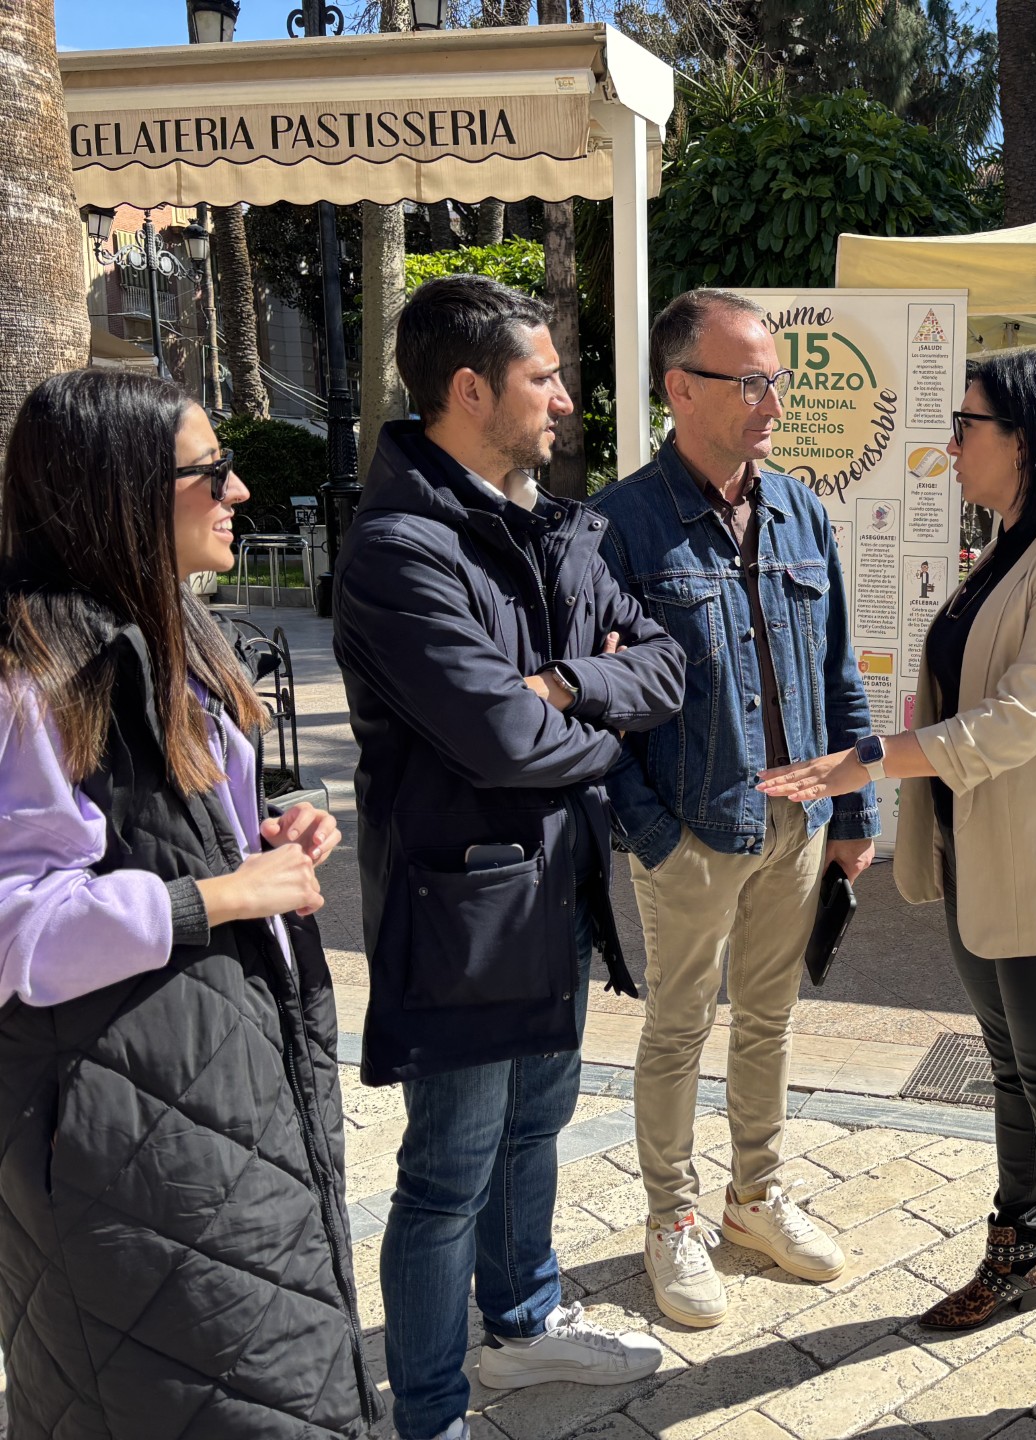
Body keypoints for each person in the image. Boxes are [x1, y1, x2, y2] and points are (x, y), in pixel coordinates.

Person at [759, 350, 1036, 1440]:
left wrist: (869, 760)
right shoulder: (1001, 555)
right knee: (1015, 1082)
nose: (952, 443)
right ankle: (1015, 1258)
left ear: (1026, 437)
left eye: (969, 422)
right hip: (983, 870)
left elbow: (1021, 721)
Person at [334, 275, 686, 1440]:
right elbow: (502, 738)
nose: (567, 401)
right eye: (544, 377)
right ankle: (429, 1412)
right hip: (465, 919)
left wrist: (572, 682)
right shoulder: (398, 550)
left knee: (535, 1128)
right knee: (446, 1178)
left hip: (559, 901)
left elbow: (667, 668)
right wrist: (576, 712)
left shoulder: (554, 523)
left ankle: (521, 1331)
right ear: (471, 388)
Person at [0, 371, 377, 1437]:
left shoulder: (171, 639)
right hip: (123, 1129)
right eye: (209, 469)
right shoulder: (32, 676)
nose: (240, 490)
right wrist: (214, 894)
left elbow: (176, 841)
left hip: (223, 1088)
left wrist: (270, 841)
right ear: (120, 488)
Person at [593, 289, 877, 1330]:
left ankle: (754, 1198)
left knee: (769, 1022)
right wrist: (653, 834)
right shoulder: (618, 526)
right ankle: (671, 1221)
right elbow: (592, 708)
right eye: (750, 379)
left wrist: (856, 809)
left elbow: (840, 664)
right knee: (676, 1030)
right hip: (691, 830)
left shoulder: (801, 509)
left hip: (798, 826)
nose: (773, 399)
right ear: (681, 388)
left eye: (776, 379)